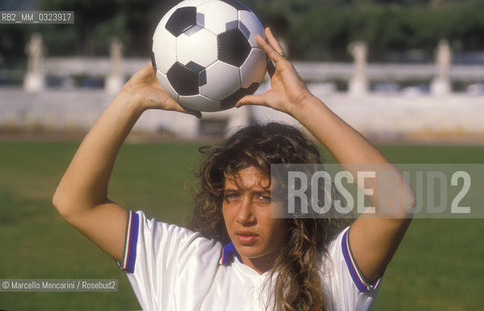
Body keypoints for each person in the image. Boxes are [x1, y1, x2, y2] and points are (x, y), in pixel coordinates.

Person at [53, 27, 415, 311]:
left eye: (263, 196)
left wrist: (303, 104)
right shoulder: (180, 261)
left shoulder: (331, 273)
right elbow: (75, 203)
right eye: (231, 196)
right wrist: (131, 98)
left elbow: (395, 203)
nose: (243, 215)